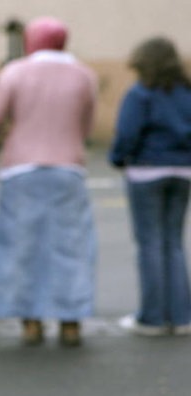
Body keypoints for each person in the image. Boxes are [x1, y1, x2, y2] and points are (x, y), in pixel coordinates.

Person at [0, 16, 98, 348]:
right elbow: (87, 127)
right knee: (71, 247)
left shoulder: (15, 72)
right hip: (68, 168)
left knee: (22, 247)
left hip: (20, 170)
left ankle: (30, 322)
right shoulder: (83, 75)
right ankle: (70, 322)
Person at [109, 36, 191, 337]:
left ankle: (153, 318)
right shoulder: (186, 93)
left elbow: (127, 134)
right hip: (183, 171)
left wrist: (118, 159)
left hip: (146, 171)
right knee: (174, 243)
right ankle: (182, 316)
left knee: (150, 244)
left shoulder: (140, 93)